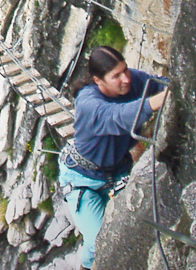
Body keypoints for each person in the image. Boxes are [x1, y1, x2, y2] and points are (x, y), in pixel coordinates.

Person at [59, 46, 168, 270]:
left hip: (118, 170)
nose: (125, 79)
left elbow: (159, 83)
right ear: (99, 81)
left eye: (125, 70)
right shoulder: (88, 102)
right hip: (83, 181)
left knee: (134, 232)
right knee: (99, 240)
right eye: (116, 76)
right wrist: (161, 99)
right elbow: (118, 117)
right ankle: (86, 267)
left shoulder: (134, 81)